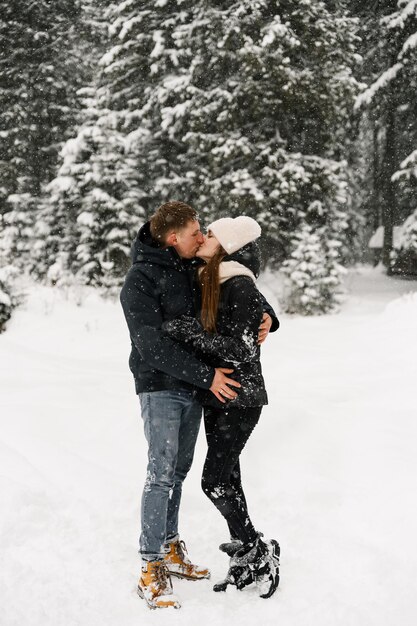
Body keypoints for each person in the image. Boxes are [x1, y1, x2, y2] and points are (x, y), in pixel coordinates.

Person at [120, 202, 278, 610]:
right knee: (160, 473)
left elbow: (237, 290)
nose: (201, 238)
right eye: (196, 233)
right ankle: (150, 565)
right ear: (174, 237)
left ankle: (171, 549)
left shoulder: (189, 267)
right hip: (161, 387)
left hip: (193, 388)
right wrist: (207, 375)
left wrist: (269, 316)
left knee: (179, 473)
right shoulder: (140, 279)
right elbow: (150, 344)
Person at [162, 216, 280, 599]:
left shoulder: (239, 283)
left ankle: (258, 549)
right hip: (218, 397)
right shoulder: (211, 276)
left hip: (240, 398)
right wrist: (270, 317)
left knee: (213, 482)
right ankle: (246, 552)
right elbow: (259, 314)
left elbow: (243, 349)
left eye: (211, 234)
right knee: (230, 478)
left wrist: (188, 332)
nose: (204, 237)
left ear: (227, 246)